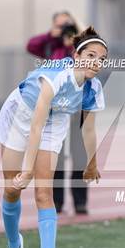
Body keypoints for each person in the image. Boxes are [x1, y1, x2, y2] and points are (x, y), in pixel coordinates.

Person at [0, 27, 107, 248]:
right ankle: (15, 247)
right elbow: (35, 126)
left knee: (44, 193)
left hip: (55, 120)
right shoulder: (55, 76)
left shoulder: (93, 88)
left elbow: (88, 129)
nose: (97, 62)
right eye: (91, 55)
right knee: (12, 189)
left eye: (102, 59)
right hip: (21, 115)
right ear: (77, 56)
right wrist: (26, 169)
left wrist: (92, 164)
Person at [26, 12, 90, 215]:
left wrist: (77, 34)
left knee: (79, 153)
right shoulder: (50, 46)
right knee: (56, 154)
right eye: (60, 25)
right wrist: (52, 36)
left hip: (79, 102)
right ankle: (58, 201)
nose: (64, 28)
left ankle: (80, 201)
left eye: (67, 24)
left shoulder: (80, 45)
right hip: (56, 107)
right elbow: (31, 46)